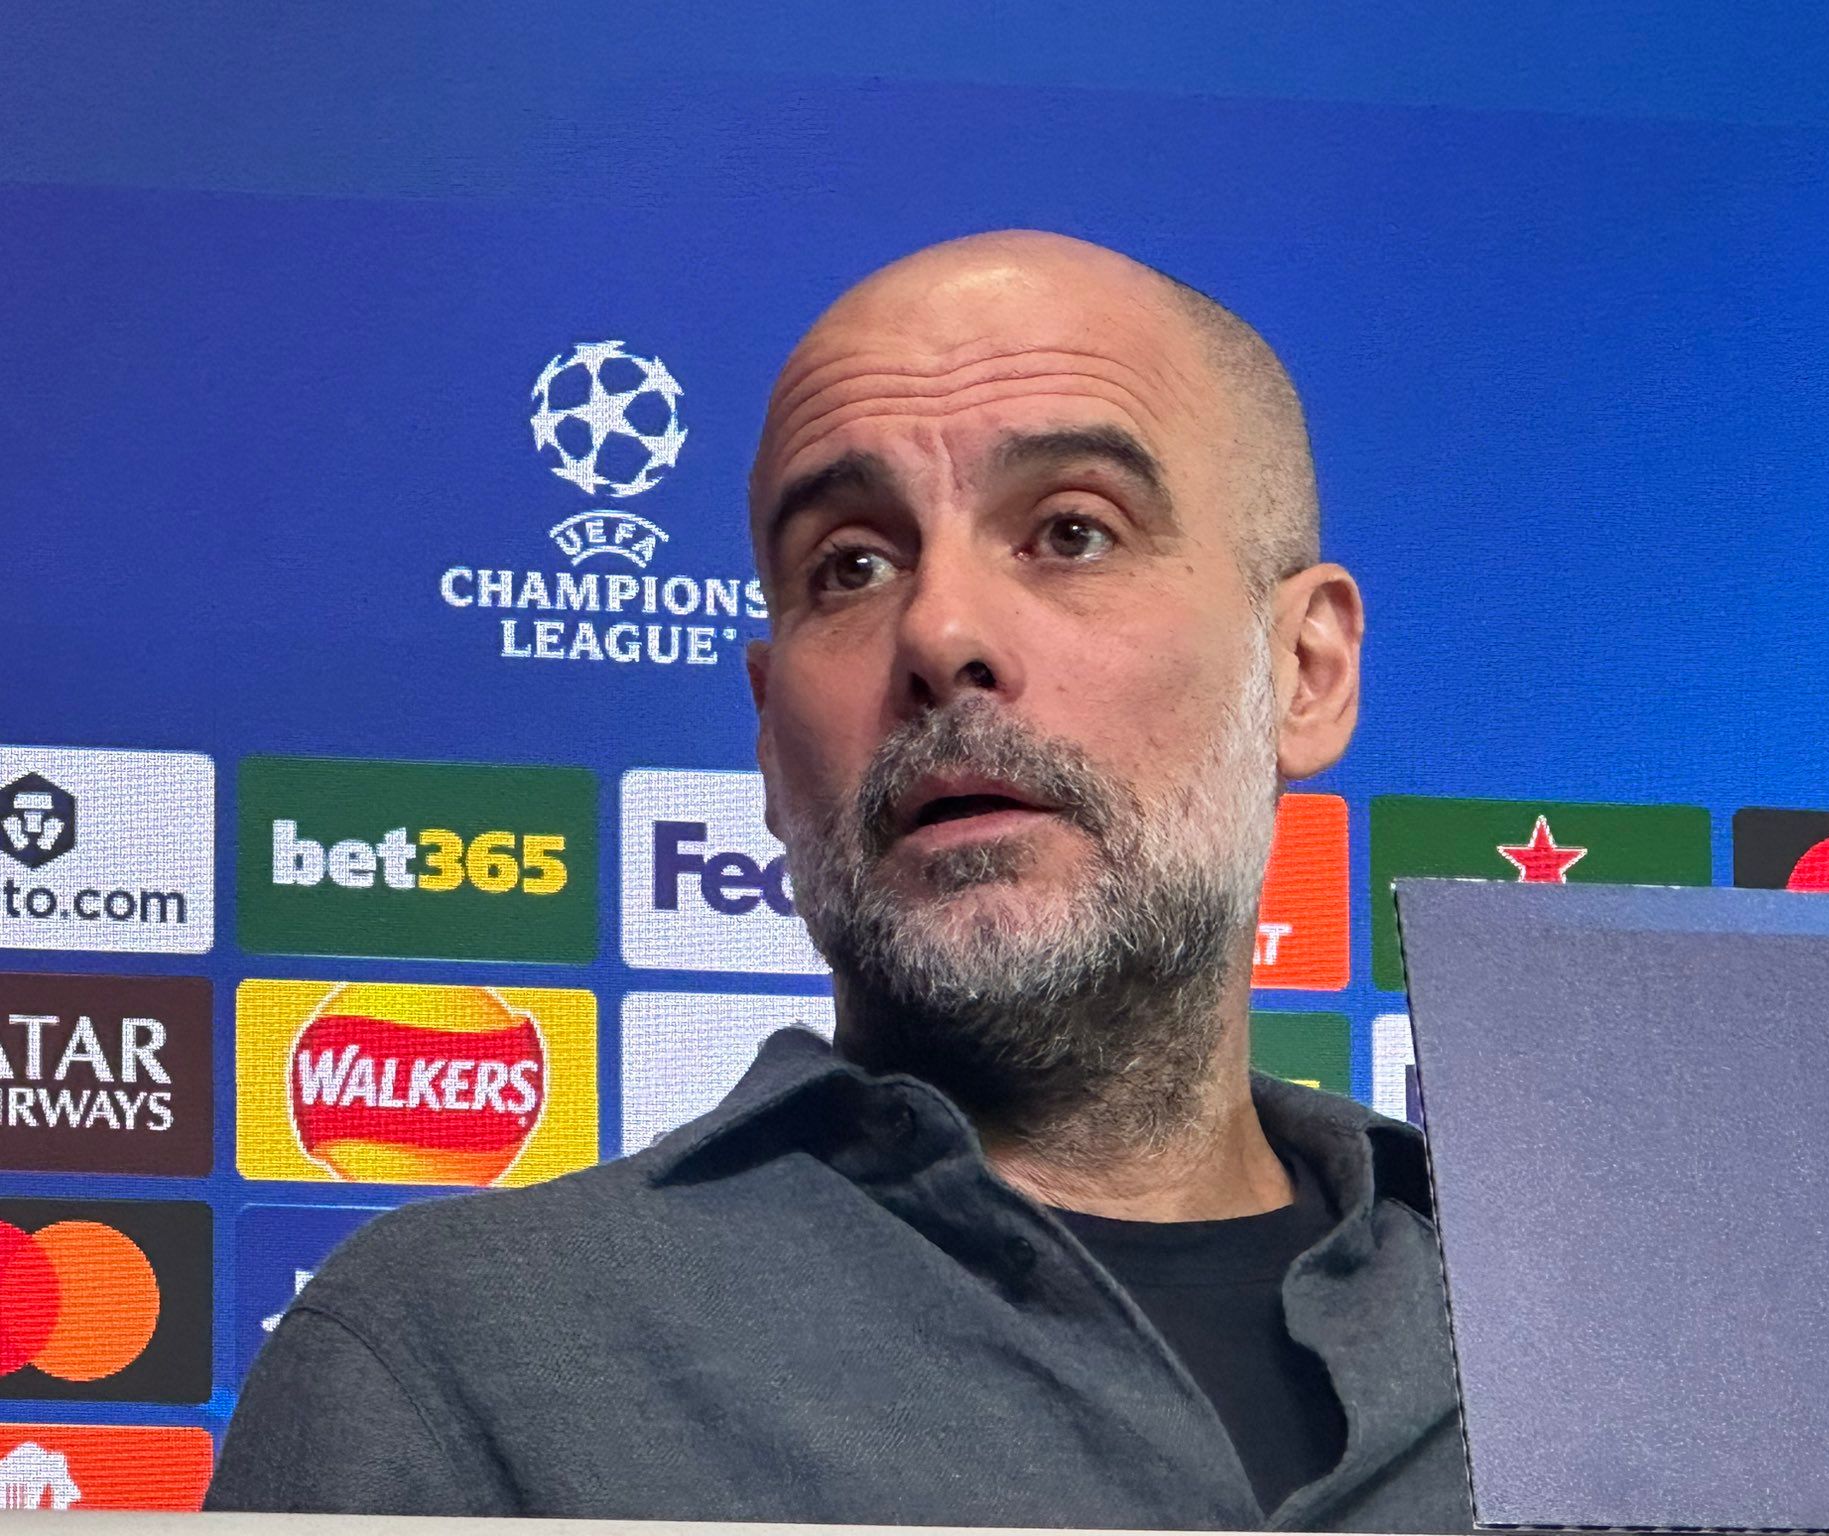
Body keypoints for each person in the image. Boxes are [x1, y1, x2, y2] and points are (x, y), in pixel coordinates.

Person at [207, 231, 1470, 1531]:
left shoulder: (1566, 1315)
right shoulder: (450, 1362)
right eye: (851, 566)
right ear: (768, 734)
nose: (940, 631)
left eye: (1071, 532)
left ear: (1305, 671)